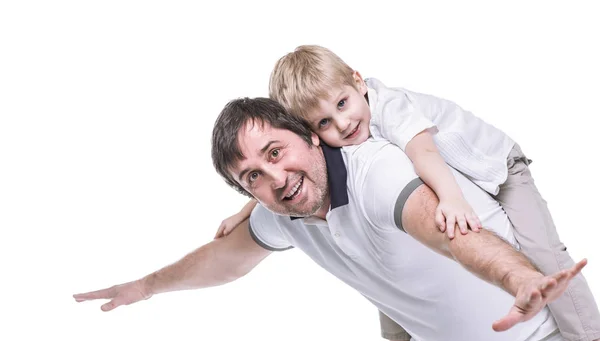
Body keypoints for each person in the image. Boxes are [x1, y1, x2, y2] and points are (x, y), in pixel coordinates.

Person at [75, 97, 588, 341]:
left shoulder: (378, 175)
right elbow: (222, 262)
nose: (274, 178)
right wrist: (145, 286)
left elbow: (453, 235)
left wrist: (521, 278)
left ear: (311, 136)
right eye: (252, 177)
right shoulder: (284, 212)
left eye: (275, 152)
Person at [215, 45, 600, 341]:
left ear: (359, 81)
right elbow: (284, 172)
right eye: (325, 122)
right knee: (381, 270)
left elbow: (425, 152)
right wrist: (247, 210)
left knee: (546, 255)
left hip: (498, 168)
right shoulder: (335, 141)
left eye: (344, 104)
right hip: (445, 173)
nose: (344, 124)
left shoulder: (392, 109)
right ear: (310, 132)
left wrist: (450, 198)